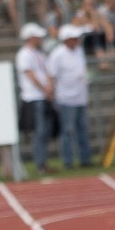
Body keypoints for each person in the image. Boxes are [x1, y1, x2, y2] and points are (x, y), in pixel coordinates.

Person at [46, 24, 92, 170]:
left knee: (82, 129)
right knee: (67, 131)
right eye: (74, 38)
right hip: (66, 98)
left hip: (81, 97)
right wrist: (52, 93)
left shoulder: (79, 51)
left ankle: (85, 159)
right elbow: (52, 75)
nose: (76, 41)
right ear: (66, 39)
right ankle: (68, 161)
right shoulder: (57, 54)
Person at [15, 21, 53, 176]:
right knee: (39, 131)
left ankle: (42, 162)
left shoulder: (37, 53)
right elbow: (30, 74)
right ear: (31, 37)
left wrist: (49, 88)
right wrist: (45, 89)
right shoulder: (24, 54)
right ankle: (40, 163)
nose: (40, 38)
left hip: (40, 96)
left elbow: (45, 72)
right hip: (33, 96)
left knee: (43, 131)